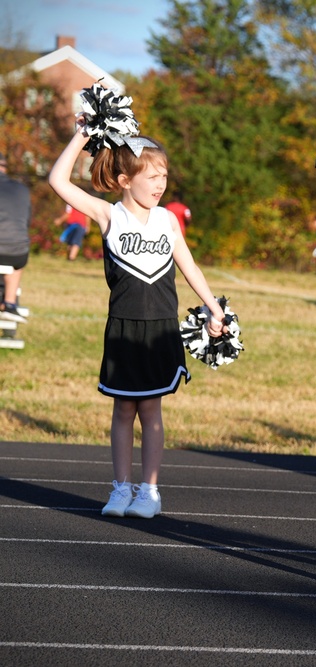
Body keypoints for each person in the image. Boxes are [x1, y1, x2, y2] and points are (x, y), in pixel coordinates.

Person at [48, 117, 227, 520]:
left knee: (151, 410)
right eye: (152, 176)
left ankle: (150, 490)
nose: (161, 183)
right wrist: (83, 135)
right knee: (123, 410)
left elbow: (189, 267)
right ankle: (120, 488)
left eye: (165, 175)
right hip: (124, 328)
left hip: (160, 328)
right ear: (125, 179)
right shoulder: (109, 215)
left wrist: (213, 307)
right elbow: (58, 180)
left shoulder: (168, 220)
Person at [0, 152, 31, 324]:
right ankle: (10, 303)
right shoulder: (21, 188)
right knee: (15, 259)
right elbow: (26, 221)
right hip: (16, 252)